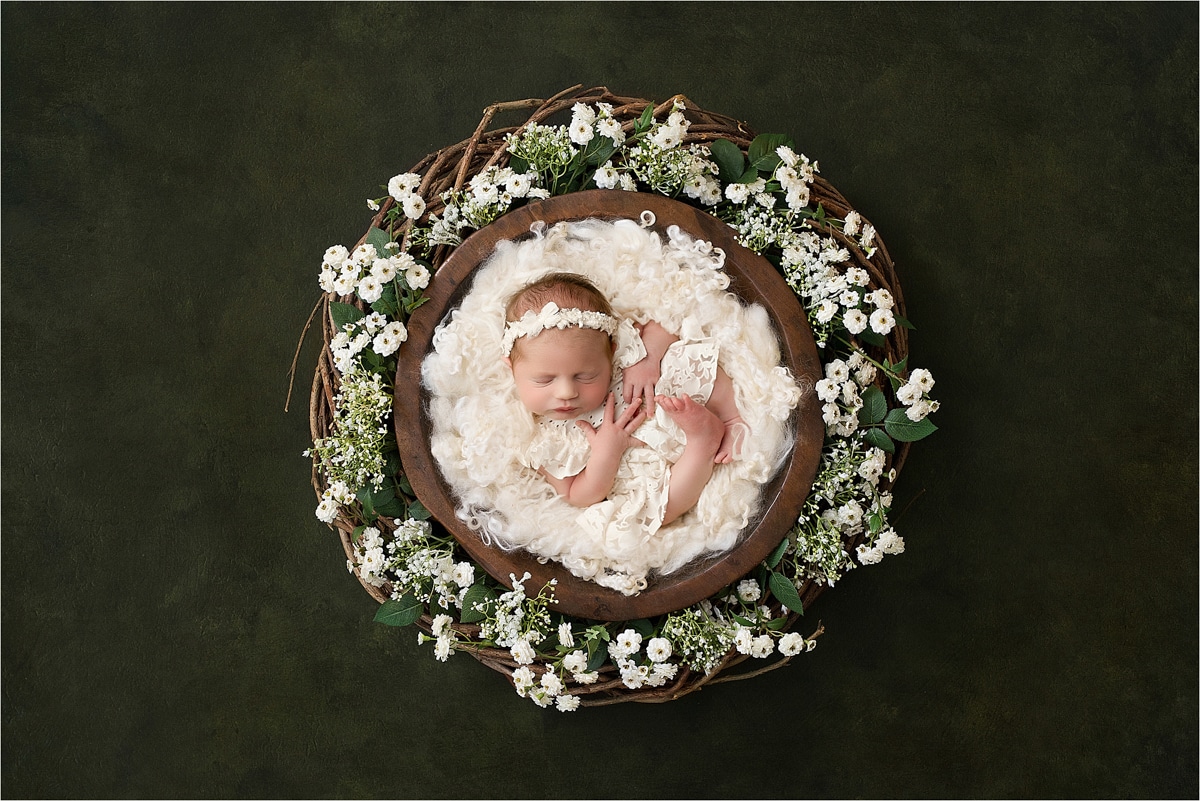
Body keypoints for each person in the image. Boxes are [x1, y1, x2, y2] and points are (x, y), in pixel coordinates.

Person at [502, 272, 748, 528]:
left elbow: (663, 326)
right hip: (643, 465)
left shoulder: (621, 351)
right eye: (544, 380)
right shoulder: (541, 439)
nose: (566, 392)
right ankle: (702, 443)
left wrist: (648, 358)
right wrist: (605, 453)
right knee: (653, 513)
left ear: (610, 350)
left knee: (687, 360)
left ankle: (731, 416)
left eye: (585, 375)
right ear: (512, 368)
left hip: (670, 403)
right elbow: (576, 494)